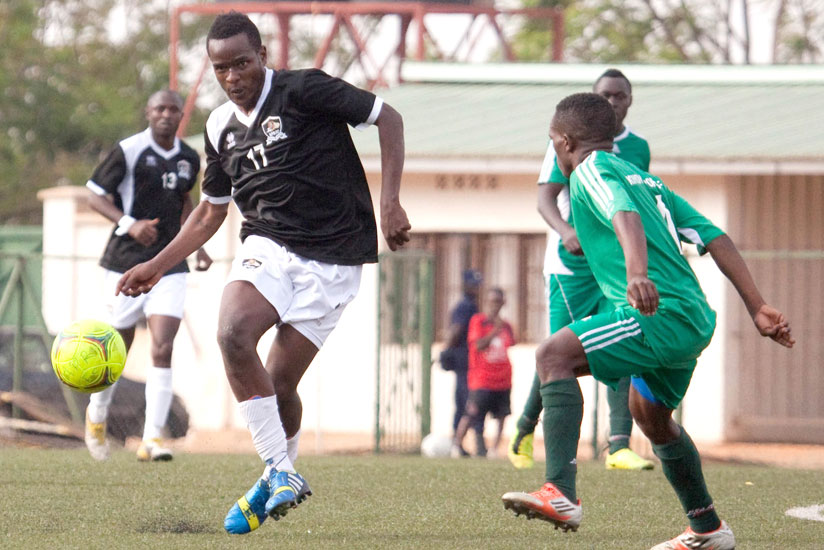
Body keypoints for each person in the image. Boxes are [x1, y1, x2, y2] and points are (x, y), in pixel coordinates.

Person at [116, 11, 410, 535]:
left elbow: (388, 117)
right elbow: (210, 211)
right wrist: (158, 267)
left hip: (335, 257)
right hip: (267, 245)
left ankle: (278, 471)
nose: (233, 77)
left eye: (242, 64)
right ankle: (280, 471)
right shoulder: (216, 126)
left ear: (263, 57)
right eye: (221, 68)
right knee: (232, 331)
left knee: (278, 384)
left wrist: (389, 203)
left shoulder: (305, 91)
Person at [501, 93, 794, 549]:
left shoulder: (590, 171)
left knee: (552, 354)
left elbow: (622, 212)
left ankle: (560, 492)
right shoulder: (648, 180)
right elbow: (714, 237)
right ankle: (708, 528)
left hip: (658, 312)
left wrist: (637, 273)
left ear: (563, 141)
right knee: (651, 416)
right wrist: (757, 306)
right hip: (693, 317)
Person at [509, 68, 654, 471]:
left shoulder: (637, 147)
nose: (612, 102)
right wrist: (567, 231)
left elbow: (634, 204)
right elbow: (545, 201)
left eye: (620, 96)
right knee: (559, 354)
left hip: (612, 267)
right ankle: (525, 429)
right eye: (604, 95)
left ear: (629, 100)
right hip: (571, 269)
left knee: (625, 341)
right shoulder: (567, 142)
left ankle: (619, 444)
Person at [84, 89, 212, 462]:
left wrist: (197, 243)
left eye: (173, 109)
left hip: (169, 264)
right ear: (149, 111)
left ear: (181, 115)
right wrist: (129, 223)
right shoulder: (129, 150)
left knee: (163, 346)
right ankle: (97, 414)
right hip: (124, 261)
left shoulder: (189, 157)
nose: (167, 115)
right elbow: (94, 194)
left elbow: (185, 201)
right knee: (116, 351)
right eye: (160, 108)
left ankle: (152, 439)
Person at [452, 287, 514, 458]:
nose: (495, 305)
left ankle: (493, 449)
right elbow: (478, 345)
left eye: (498, 301)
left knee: (502, 416)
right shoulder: (478, 321)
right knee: (472, 413)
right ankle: (457, 446)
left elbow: (511, 344)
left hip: (503, 379)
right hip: (482, 379)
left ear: (503, 303)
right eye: (492, 301)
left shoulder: (507, 325)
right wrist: (495, 330)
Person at [440, 268, 485, 456]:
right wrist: (445, 350)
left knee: (466, 401)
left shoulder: (470, 304)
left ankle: (462, 444)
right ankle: (459, 445)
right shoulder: (466, 306)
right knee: (466, 401)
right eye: (473, 285)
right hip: (463, 361)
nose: (476, 288)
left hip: (468, 361)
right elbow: (456, 330)